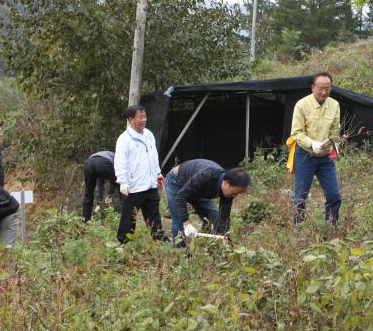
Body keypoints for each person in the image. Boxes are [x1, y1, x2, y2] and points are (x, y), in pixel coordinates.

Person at [289, 72, 342, 227]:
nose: (324, 92)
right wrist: (312, 144)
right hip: (305, 156)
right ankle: (299, 229)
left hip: (326, 158)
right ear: (313, 87)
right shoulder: (302, 105)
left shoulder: (334, 105)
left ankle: (331, 226)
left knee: (334, 195)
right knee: (301, 196)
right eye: (321, 88)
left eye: (328, 88)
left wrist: (333, 144)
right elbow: (296, 133)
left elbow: (334, 131)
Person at [164, 159, 250, 245]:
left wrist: (225, 234)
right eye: (234, 192)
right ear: (226, 183)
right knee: (180, 221)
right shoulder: (207, 176)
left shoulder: (228, 192)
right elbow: (181, 197)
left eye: (237, 194)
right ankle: (180, 250)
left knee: (215, 215)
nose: (234, 196)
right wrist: (186, 224)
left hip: (197, 189)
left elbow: (224, 215)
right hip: (176, 182)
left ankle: (210, 244)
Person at [114, 105, 165, 243]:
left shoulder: (149, 134)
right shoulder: (124, 139)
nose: (144, 120)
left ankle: (160, 241)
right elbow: (120, 162)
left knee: (154, 216)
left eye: (145, 116)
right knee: (129, 219)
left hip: (150, 185)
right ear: (131, 119)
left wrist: (158, 174)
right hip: (134, 187)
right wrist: (123, 182)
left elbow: (154, 157)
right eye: (140, 117)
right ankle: (123, 243)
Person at [81, 150, 117, 221]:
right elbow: (115, 182)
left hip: (89, 163)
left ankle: (85, 220)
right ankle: (127, 217)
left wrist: (100, 200)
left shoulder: (107, 156)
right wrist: (109, 194)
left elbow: (99, 183)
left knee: (88, 193)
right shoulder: (116, 158)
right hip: (104, 162)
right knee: (121, 186)